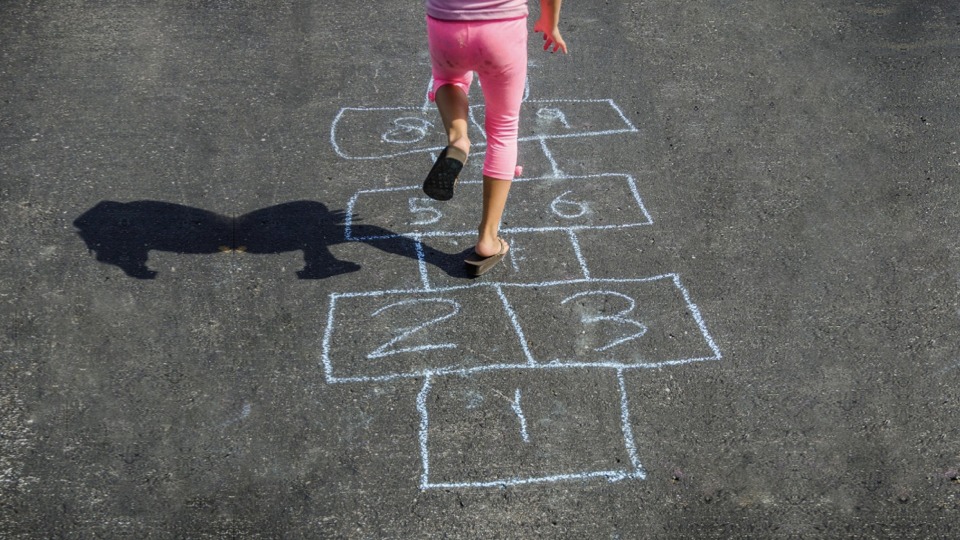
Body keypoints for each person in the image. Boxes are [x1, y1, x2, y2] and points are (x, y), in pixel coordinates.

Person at [421, 0, 567, 276]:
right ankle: (488, 238)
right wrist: (550, 21)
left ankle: (458, 140)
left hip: (446, 24)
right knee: (503, 129)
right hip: (501, 28)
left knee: (449, 81)